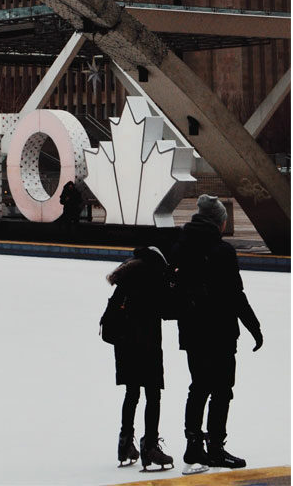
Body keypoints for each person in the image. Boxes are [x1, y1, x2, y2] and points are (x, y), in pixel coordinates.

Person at [171, 194, 262, 474]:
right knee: (221, 390)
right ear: (219, 222)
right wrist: (254, 327)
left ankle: (193, 446)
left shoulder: (181, 246)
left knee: (198, 387)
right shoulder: (222, 251)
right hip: (220, 332)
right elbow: (235, 294)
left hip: (191, 330)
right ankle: (215, 448)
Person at [103, 246, 174, 472]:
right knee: (153, 395)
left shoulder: (126, 277)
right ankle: (150, 446)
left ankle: (125, 443)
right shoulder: (152, 277)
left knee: (132, 392)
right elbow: (168, 309)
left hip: (124, 345)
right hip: (146, 344)